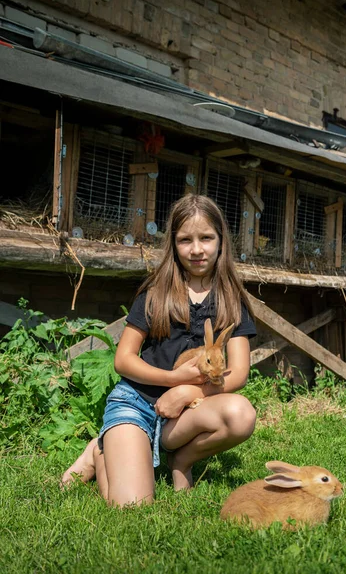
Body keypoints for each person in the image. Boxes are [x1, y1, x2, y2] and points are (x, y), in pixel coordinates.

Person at [62, 194, 257, 507]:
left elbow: (240, 373)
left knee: (241, 414)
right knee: (132, 505)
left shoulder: (232, 300)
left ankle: (181, 460)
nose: (196, 249)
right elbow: (123, 361)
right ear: (174, 244)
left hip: (184, 413)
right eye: (185, 240)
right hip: (137, 403)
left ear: (221, 240)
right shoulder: (156, 293)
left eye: (206, 238)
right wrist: (173, 380)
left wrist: (186, 392)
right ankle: (100, 451)